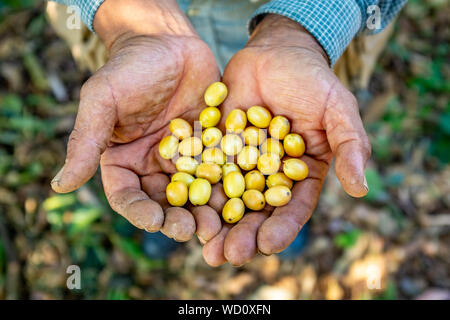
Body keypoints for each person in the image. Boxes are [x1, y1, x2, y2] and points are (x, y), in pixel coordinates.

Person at [47, 0, 406, 266]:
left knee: (311, 127)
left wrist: (302, 30)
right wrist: (133, 20)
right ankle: (161, 214)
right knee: (140, 128)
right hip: (138, 47)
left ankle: (278, 214)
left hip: (297, 32)